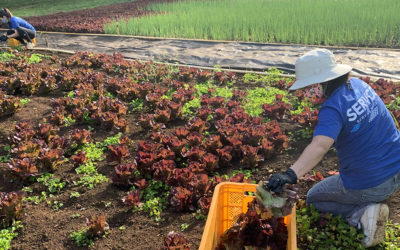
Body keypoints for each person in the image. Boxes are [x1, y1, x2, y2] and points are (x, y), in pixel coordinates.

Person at [262, 49, 400, 248]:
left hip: (371, 182)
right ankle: (371, 201)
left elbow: (320, 145)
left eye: (309, 87)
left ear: (322, 82)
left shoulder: (332, 108)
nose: (306, 93)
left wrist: (291, 174)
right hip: (396, 168)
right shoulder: (360, 85)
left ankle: (361, 215)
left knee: (314, 199)